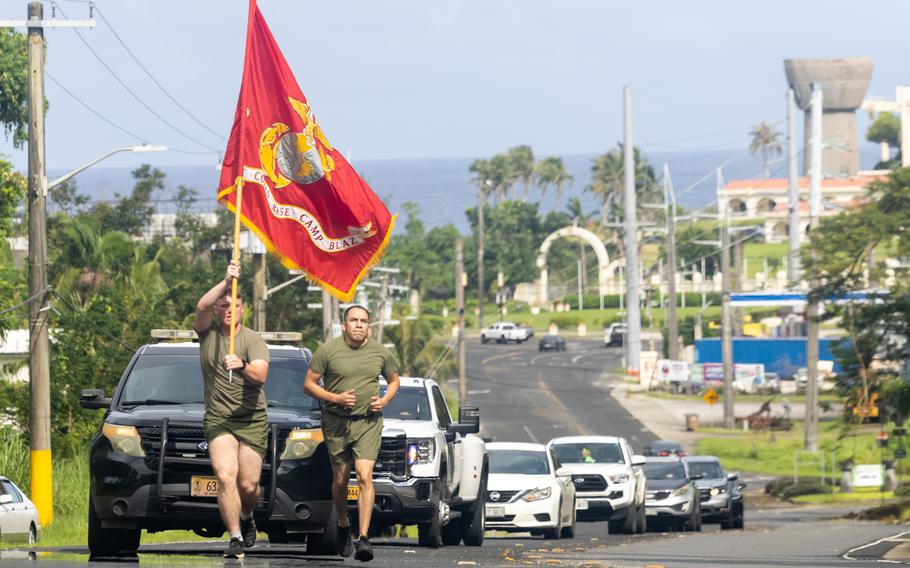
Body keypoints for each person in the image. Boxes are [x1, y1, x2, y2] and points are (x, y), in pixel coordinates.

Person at [304, 305, 400, 562]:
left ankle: (364, 538)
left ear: (369, 326)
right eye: (354, 320)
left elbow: (394, 380)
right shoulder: (328, 350)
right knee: (340, 482)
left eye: (363, 321)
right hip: (337, 422)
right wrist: (335, 397)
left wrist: (385, 400)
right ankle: (344, 523)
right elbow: (309, 384)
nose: (359, 325)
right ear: (344, 325)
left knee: (365, 476)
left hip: (368, 422)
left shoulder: (380, 352)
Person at [194, 260, 270, 559]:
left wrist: (242, 366)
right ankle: (235, 537)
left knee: (248, 485)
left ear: (242, 309)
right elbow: (201, 306)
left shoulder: (252, 340)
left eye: (234, 304)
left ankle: (248, 515)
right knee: (225, 476)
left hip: (251, 419)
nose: (228, 308)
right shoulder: (208, 333)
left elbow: (261, 375)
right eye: (223, 304)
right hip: (219, 419)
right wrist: (226, 281)